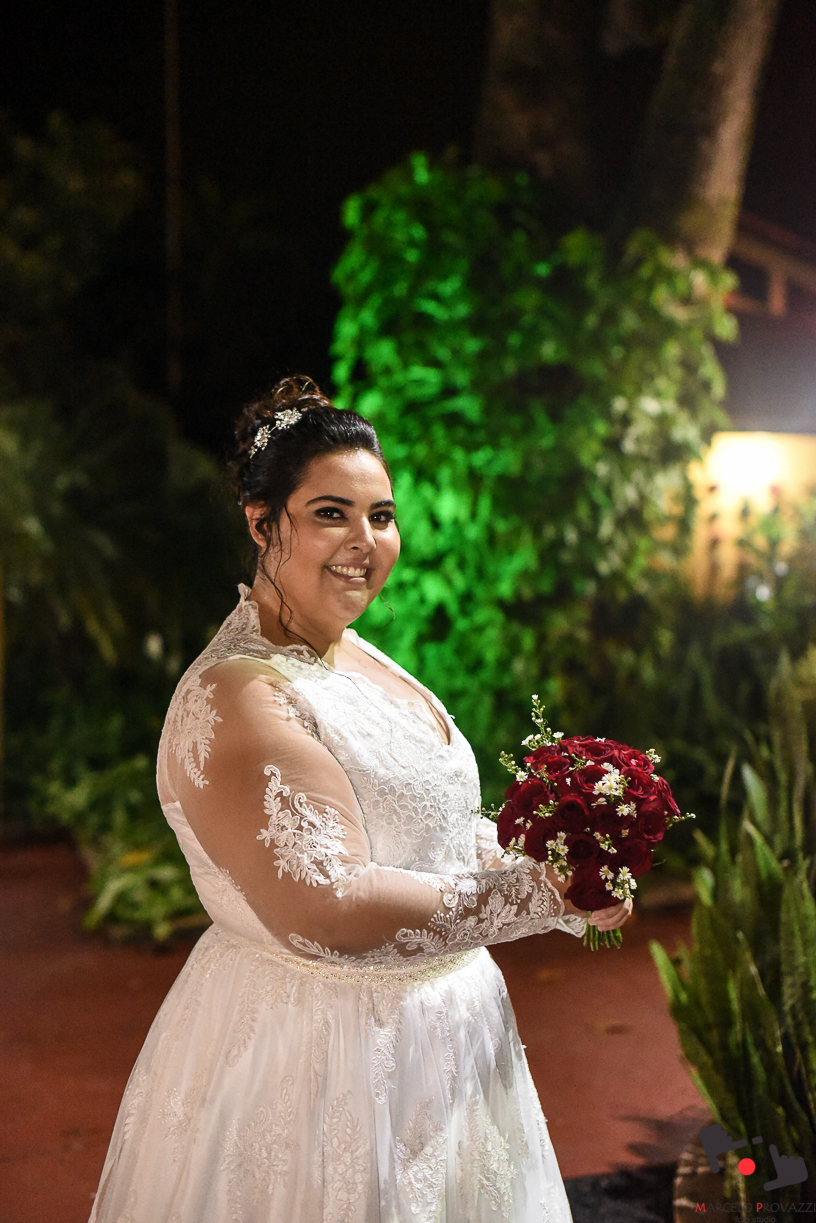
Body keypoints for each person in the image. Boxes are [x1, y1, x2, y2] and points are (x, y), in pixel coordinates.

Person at [89, 375, 632, 1223]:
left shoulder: (354, 653)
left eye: (380, 515)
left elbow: (429, 829)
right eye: (330, 513)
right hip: (326, 1064)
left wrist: (560, 864)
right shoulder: (240, 694)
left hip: (452, 1049)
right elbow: (329, 907)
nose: (364, 542)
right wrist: (539, 897)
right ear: (261, 521)